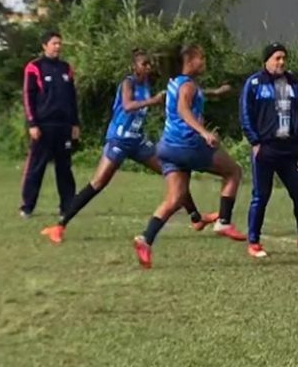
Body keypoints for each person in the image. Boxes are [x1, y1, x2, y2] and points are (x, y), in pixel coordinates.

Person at [39, 49, 227, 244]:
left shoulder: (147, 83)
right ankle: (60, 225)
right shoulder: (128, 83)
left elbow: (183, 92)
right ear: (134, 66)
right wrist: (153, 101)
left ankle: (196, 218)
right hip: (119, 139)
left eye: (149, 64)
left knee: (172, 173)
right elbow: (128, 105)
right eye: (143, 64)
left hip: (137, 141)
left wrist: (215, 92)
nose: (147, 67)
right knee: (98, 183)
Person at [133, 45, 245, 269]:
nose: (204, 62)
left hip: (166, 148)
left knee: (175, 198)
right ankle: (223, 222)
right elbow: (184, 109)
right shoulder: (188, 85)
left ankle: (145, 239)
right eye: (201, 58)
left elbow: (190, 98)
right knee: (233, 171)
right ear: (191, 60)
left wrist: (216, 93)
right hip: (187, 145)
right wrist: (204, 133)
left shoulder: (176, 81)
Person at [239, 42, 298, 258]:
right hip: (266, 149)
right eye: (277, 57)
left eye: (284, 57)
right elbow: (245, 114)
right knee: (261, 195)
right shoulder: (255, 83)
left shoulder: (294, 83)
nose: (281, 62)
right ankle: (254, 241)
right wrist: (255, 142)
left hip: (291, 150)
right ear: (266, 60)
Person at [20, 31, 80, 219]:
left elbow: (72, 98)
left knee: (64, 167)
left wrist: (75, 123)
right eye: (54, 43)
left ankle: (67, 206)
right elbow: (28, 96)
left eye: (60, 43)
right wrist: (32, 123)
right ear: (44, 46)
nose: (58, 47)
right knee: (36, 167)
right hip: (43, 126)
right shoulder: (34, 67)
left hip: (63, 126)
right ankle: (27, 206)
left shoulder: (66, 68)